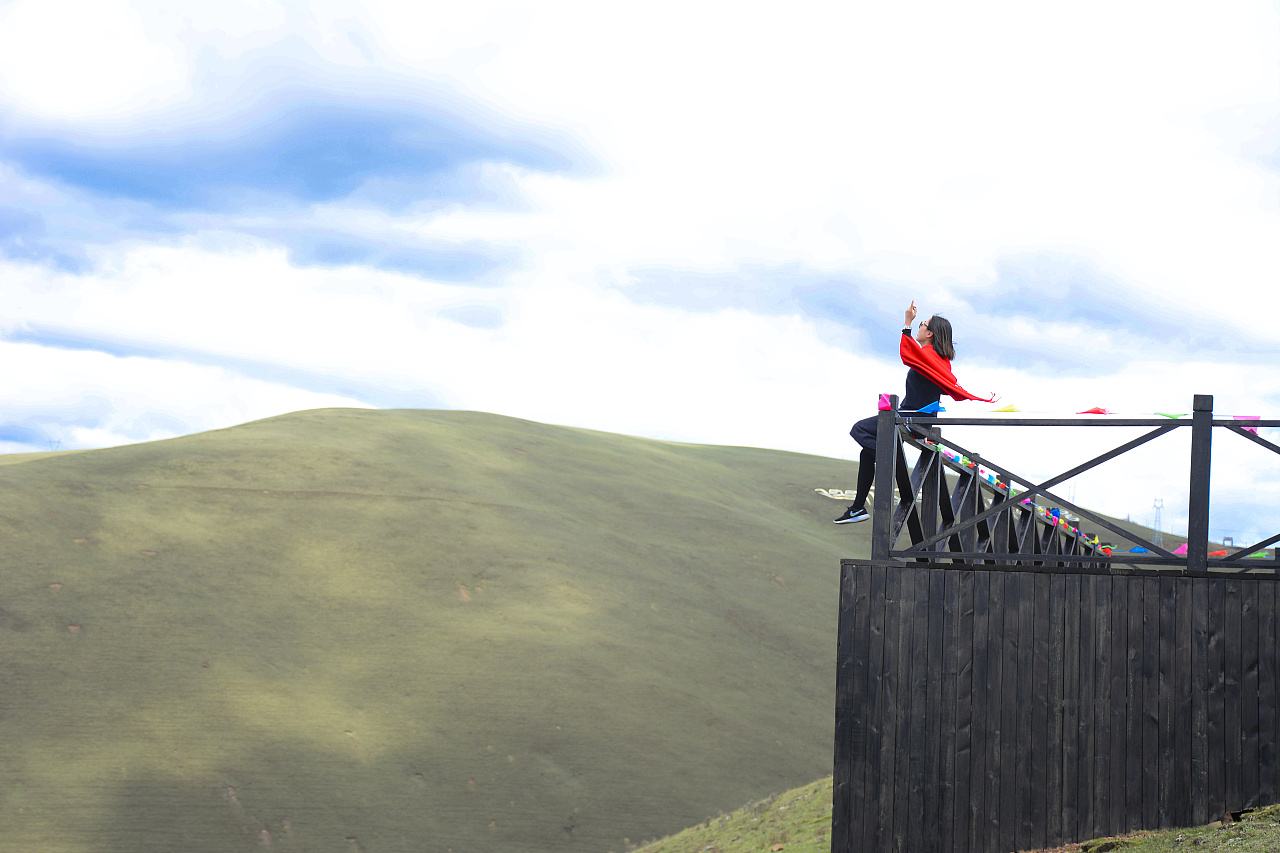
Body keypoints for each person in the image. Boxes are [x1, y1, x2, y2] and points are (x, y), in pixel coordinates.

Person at [834, 300, 994, 524]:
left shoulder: (929, 357)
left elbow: (907, 353)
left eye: (922, 324)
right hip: (916, 419)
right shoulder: (938, 360)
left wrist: (906, 323)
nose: (919, 326)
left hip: (911, 419)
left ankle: (891, 463)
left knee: (859, 429)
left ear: (929, 333)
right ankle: (858, 508)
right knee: (867, 452)